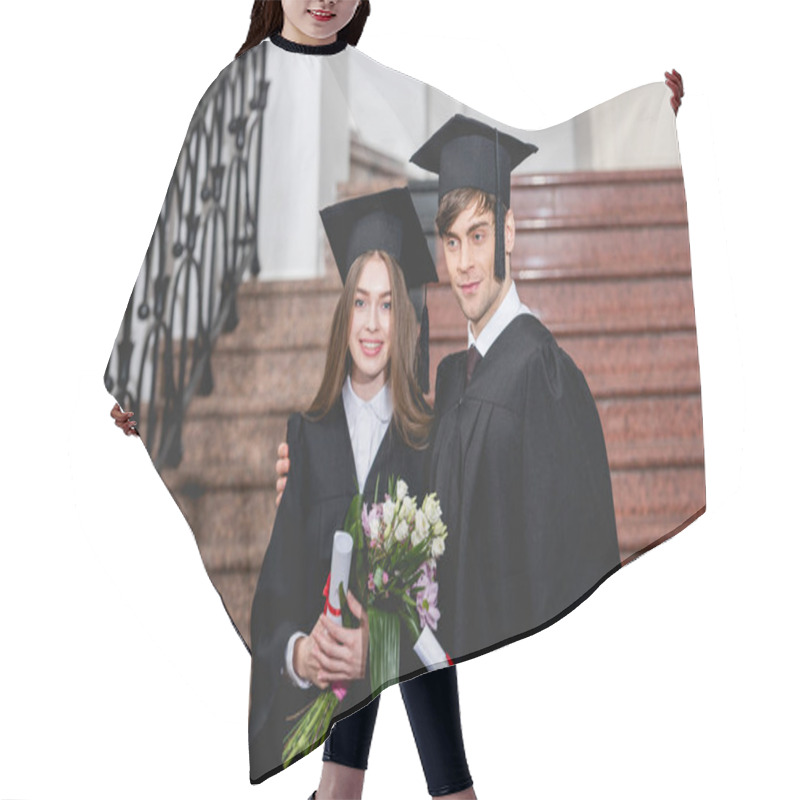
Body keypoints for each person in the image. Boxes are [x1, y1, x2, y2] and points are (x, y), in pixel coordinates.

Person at [249, 188, 475, 798]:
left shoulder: (429, 439)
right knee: (340, 787)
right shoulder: (307, 436)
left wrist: (380, 643)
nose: (372, 324)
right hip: (330, 672)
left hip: (409, 647)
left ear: (403, 319)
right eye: (359, 303)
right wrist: (303, 653)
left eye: (386, 305)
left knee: (452, 787)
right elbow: (277, 594)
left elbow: (451, 581)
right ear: (342, 313)